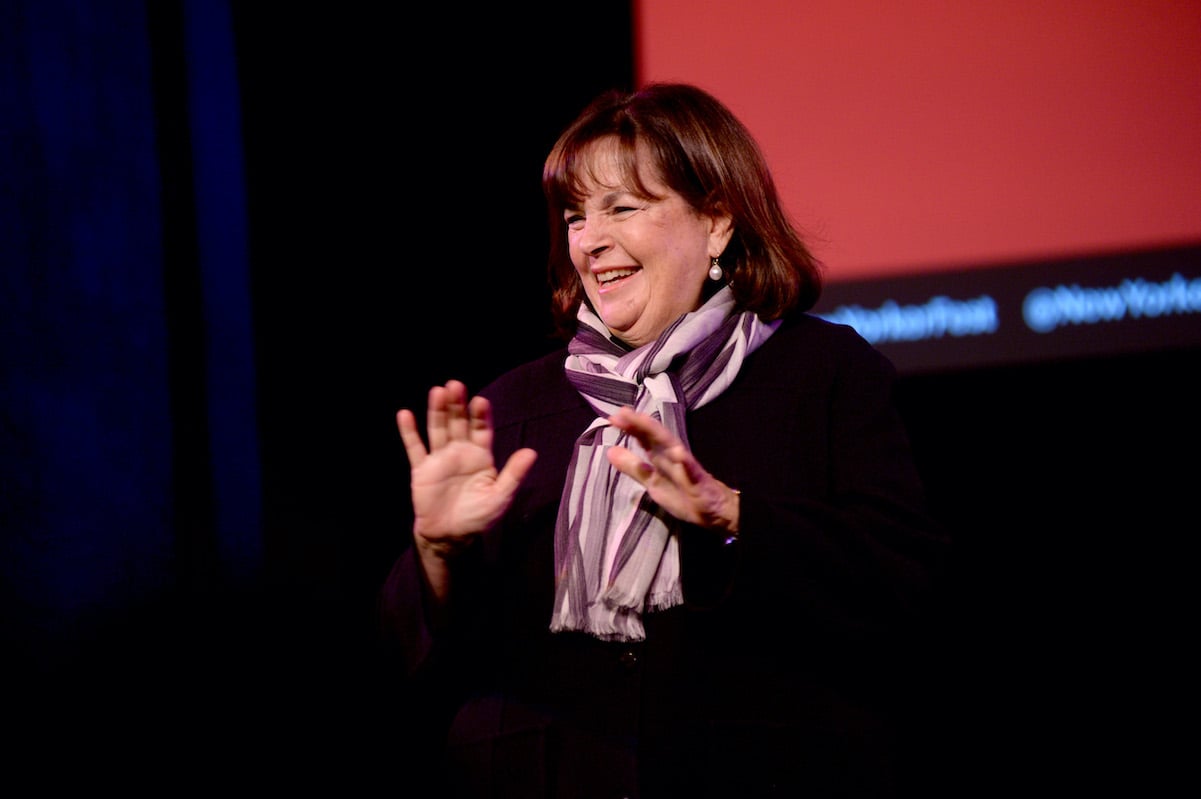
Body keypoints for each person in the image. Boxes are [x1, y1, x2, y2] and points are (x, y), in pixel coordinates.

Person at [377, 82, 950, 798]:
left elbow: (907, 587)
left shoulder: (823, 374)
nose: (589, 239)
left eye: (622, 206)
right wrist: (436, 551)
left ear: (716, 221)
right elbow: (412, 662)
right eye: (576, 214)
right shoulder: (511, 407)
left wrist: (733, 515)